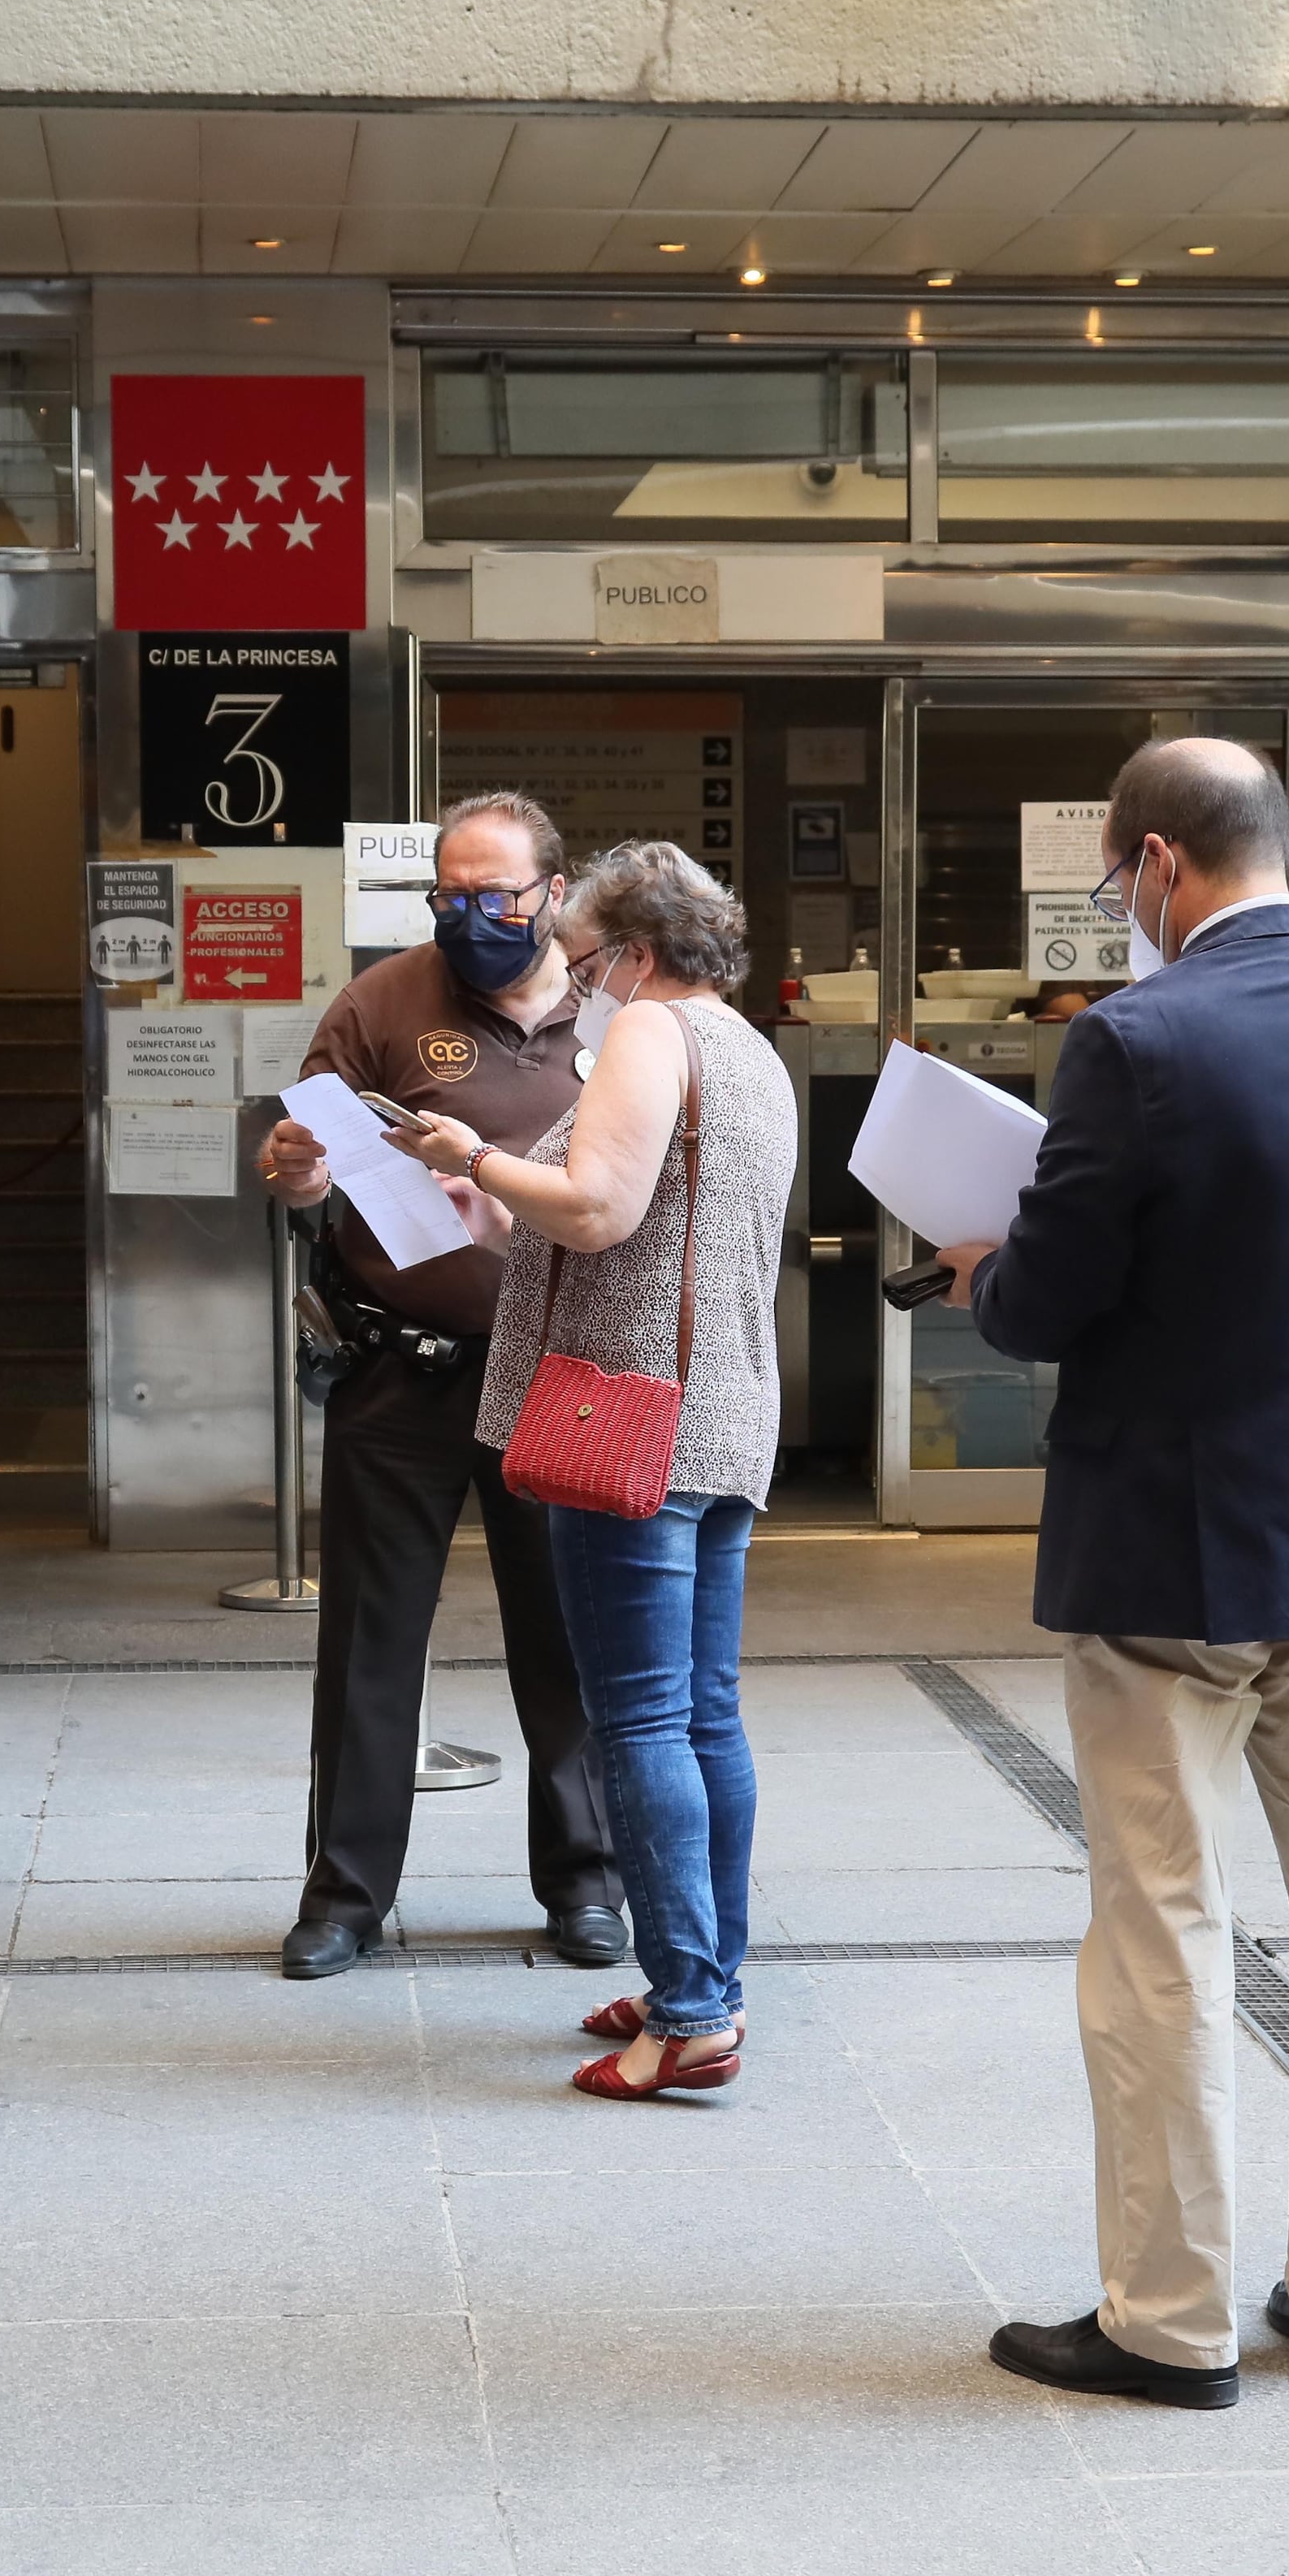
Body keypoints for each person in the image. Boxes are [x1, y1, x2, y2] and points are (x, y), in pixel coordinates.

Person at [936, 737, 1289, 2408]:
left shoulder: (1138, 1039)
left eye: (1123, 883)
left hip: (1180, 1552)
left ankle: (1166, 2322)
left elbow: (1047, 1304)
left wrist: (987, 1263)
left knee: (1164, 1925)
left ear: (1157, 866)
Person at [392, 842, 801, 2098]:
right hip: (724, 1413)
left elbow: (602, 1210)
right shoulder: (749, 1049)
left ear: (632, 950)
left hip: (625, 1418)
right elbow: (607, 1212)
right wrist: (496, 1199)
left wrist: (467, 1156)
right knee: (705, 1713)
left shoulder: (648, 1036)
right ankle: (710, 1977)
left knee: (636, 1720)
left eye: (584, 958)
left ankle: (686, 2013)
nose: (578, 982)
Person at [255, 795, 629, 1981]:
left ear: (552, 891)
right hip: (401, 1370)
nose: (468, 918)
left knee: (569, 1636)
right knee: (369, 1638)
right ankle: (345, 1895)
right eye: (448, 897)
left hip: (559, 1373)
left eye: (494, 896)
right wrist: (298, 1174)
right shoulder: (382, 1002)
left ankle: (586, 1879)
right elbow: (304, 1170)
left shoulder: (623, 1009)